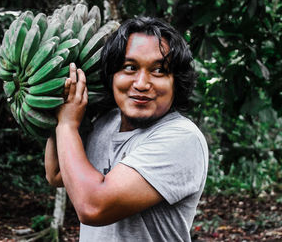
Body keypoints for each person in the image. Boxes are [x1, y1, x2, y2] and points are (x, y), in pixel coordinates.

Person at [45, 16, 208, 242]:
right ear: (112, 75)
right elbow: (57, 174)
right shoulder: (105, 122)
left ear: (176, 81)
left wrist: (68, 124)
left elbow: (93, 207)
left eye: (159, 70)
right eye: (129, 67)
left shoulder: (182, 138)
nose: (141, 83)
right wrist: (60, 105)